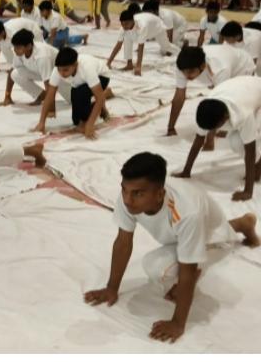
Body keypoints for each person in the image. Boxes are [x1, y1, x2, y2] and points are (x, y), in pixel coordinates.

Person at [84, 152, 259, 344]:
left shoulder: (188, 212)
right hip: (189, 229)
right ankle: (242, 223)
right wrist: (111, 288)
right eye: (124, 190)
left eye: (137, 194)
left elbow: (188, 269)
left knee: (155, 267)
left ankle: (238, 229)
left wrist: (177, 323)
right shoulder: (130, 196)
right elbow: (123, 242)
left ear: (160, 194)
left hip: (210, 235)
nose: (127, 200)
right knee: (185, 238)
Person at [174, 76, 261, 201]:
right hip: (243, 89)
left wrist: (248, 191)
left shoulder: (243, 114)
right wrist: (186, 171)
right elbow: (198, 140)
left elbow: (250, 151)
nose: (211, 132)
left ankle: (258, 166)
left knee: (238, 142)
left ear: (225, 117)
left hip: (255, 95)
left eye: (214, 128)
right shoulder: (207, 110)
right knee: (235, 140)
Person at [166, 45, 254, 137]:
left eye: (191, 72)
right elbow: (179, 97)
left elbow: (219, 102)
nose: (186, 76)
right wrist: (171, 127)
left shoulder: (220, 68)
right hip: (223, 63)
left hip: (242, 67)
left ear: (202, 66)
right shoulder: (182, 66)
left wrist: (210, 137)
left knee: (235, 100)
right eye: (184, 73)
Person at [33, 47, 111, 139]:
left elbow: (100, 98)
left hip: (102, 76)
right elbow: (49, 96)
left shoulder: (87, 68)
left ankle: (104, 94)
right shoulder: (57, 70)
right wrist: (41, 122)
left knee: (81, 95)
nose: (62, 73)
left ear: (75, 65)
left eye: (65, 70)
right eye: (59, 70)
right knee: (76, 121)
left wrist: (90, 124)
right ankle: (100, 106)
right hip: (79, 83)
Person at [0, 28, 70, 114]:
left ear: (29, 46)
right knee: (14, 74)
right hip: (43, 72)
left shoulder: (42, 56)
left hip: (63, 76)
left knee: (73, 100)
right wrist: (7, 96)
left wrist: (51, 109)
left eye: (18, 47)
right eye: (14, 47)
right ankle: (41, 95)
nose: (15, 50)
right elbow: (11, 71)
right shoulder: (19, 53)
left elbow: (48, 83)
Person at [108, 10, 178, 76]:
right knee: (127, 37)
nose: (124, 26)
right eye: (122, 24)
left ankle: (180, 53)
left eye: (126, 24)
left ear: (132, 21)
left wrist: (138, 67)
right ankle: (129, 64)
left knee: (166, 46)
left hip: (157, 28)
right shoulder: (123, 28)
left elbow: (141, 47)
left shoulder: (142, 25)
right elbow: (118, 45)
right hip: (147, 27)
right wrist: (109, 62)